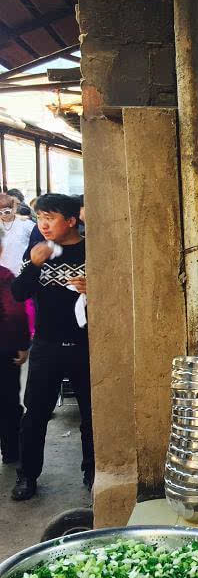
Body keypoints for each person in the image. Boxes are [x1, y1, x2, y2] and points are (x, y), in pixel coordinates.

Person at [11, 194, 92, 500]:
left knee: (91, 414)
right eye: (40, 218)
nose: (43, 224)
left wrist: (95, 287)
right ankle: (27, 476)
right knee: (35, 415)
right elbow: (19, 293)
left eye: (51, 218)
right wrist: (33, 265)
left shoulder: (90, 251)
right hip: (46, 346)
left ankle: (93, 473)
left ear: (71, 221)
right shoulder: (38, 253)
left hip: (85, 345)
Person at [0, 245, 29, 464]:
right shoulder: (4, 276)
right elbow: (14, 311)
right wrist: (21, 344)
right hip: (5, 349)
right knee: (8, 400)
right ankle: (11, 452)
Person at [0, 194, 33, 275]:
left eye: (7, 211)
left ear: (14, 208)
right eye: (0, 212)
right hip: (3, 271)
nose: (3, 215)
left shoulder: (26, 224)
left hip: (23, 269)